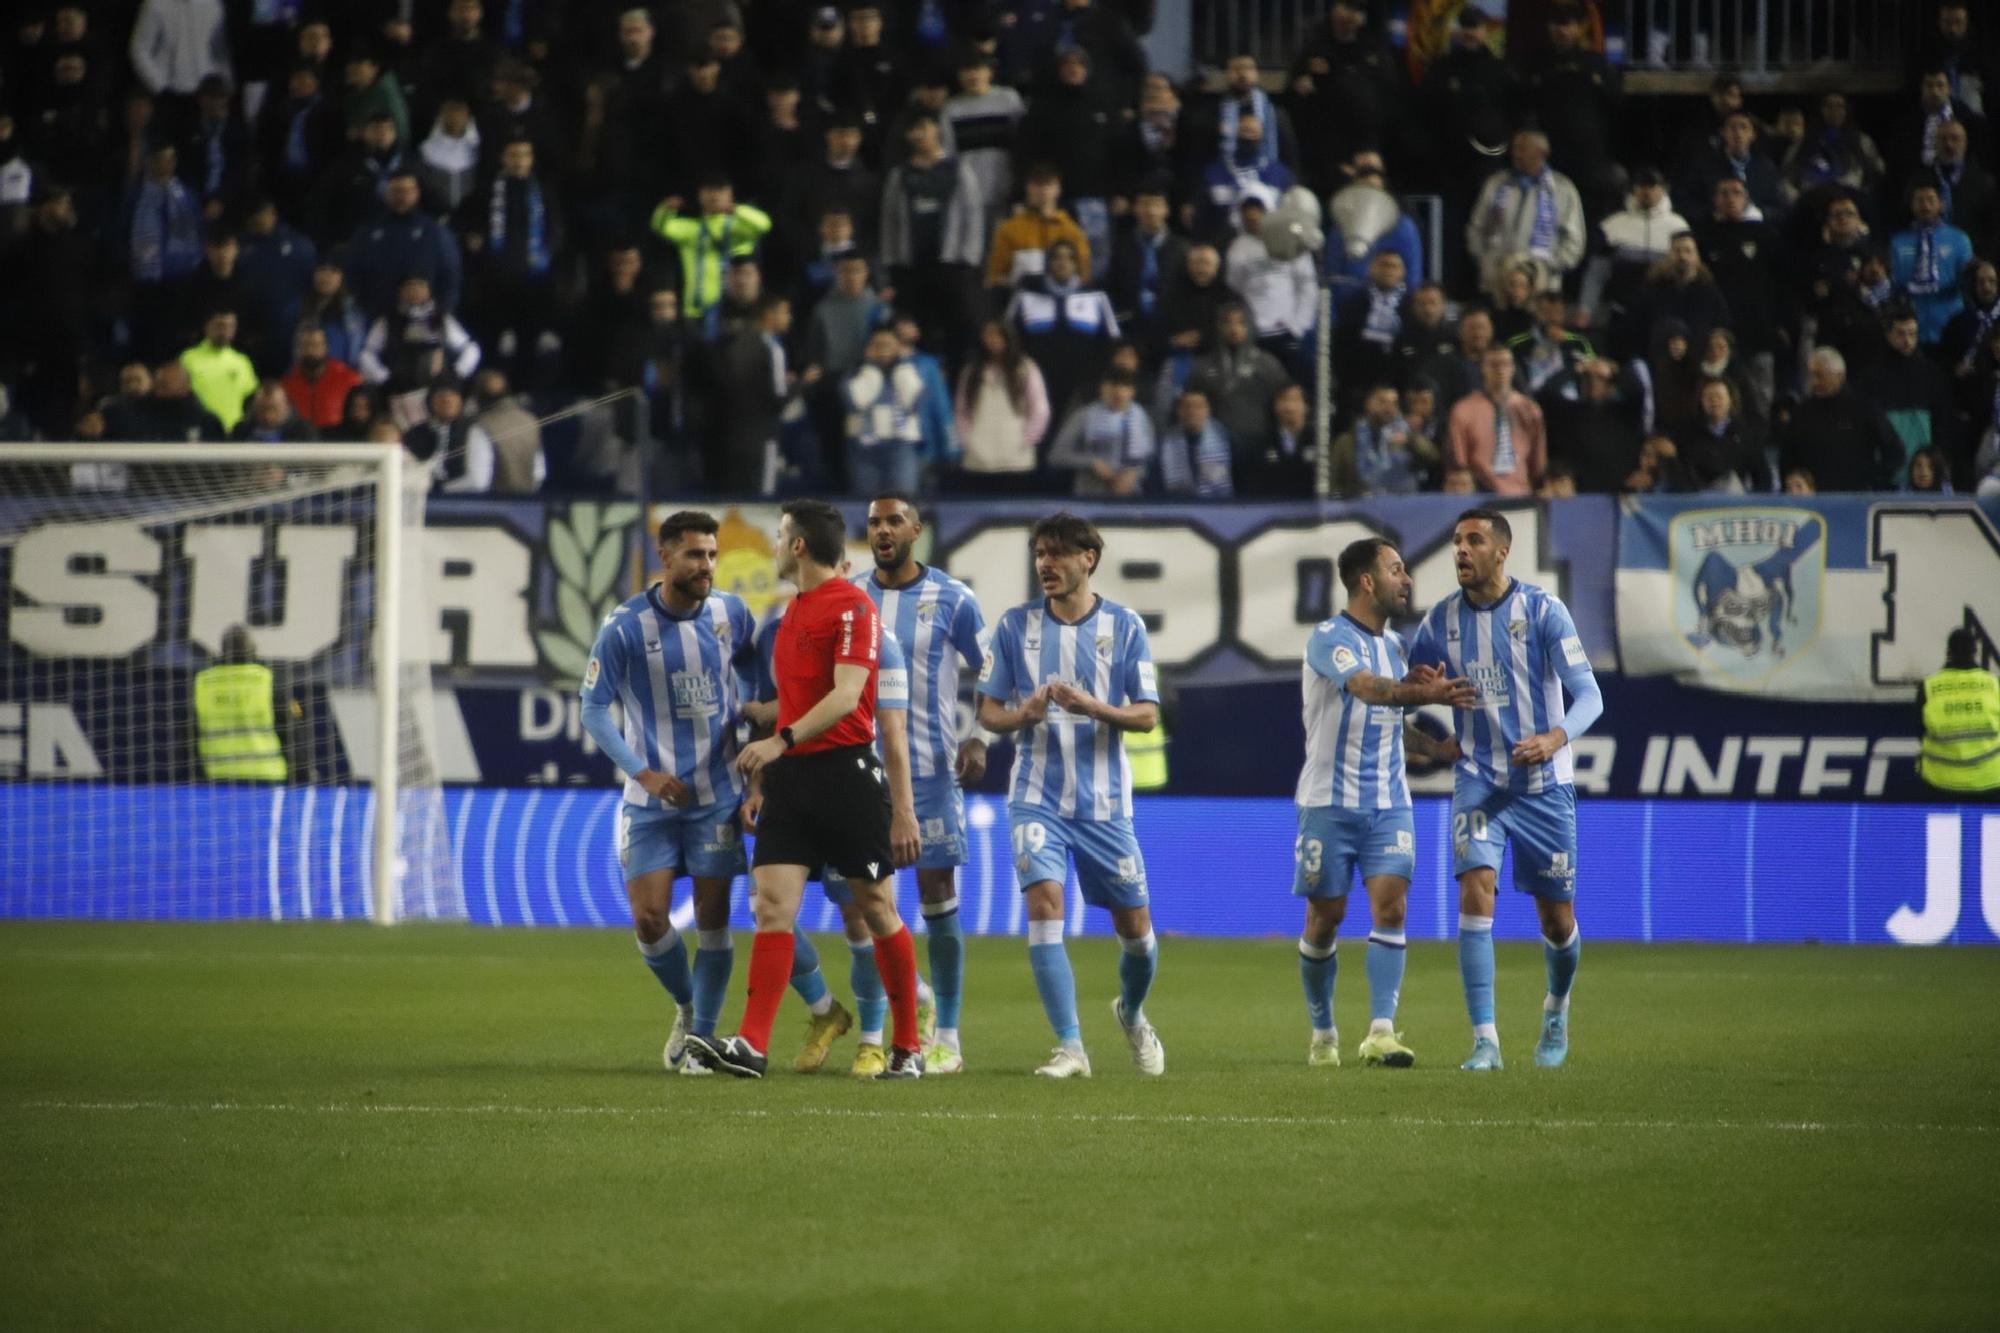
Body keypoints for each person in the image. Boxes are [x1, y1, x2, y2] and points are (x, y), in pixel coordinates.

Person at [685, 500, 926, 1080]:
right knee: (772, 908)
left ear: (797, 545)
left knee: (876, 909)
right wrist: (757, 711)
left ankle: (908, 1047)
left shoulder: (853, 608)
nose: (772, 545)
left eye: (779, 535)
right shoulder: (793, 611)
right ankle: (752, 1044)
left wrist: (778, 739)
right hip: (793, 781)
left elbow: (846, 697)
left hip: (846, 775)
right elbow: (802, 697)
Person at [576, 513, 775, 1075]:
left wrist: (755, 771)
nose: (706, 566)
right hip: (651, 802)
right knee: (649, 919)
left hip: (717, 794)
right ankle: (687, 1008)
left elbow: (758, 682)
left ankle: (702, 1042)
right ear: (665, 558)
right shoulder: (624, 627)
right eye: (694, 555)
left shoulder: (730, 613)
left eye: (712, 555)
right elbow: (592, 707)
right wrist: (644, 774)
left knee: (713, 921)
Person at [1408, 508, 1604, 1071]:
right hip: (1478, 780)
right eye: (1455, 542)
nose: (1461, 551)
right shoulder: (1439, 621)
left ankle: (1556, 1008)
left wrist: (1554, 737)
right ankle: (1485, 1042)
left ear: (1502, 551)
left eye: (1474, 541)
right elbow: (1413, 685)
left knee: (1556, 921)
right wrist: (1426, 695)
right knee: (1477, 888)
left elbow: (1590, 697)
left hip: (1544, 786)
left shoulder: (1542, 611)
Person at [976, 512, 1164, 1079]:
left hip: (1106, 805)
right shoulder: (1014, 627)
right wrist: (1022, 715)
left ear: (1090, 559)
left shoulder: (1126, 626)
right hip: (1036, 797)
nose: (1045, 565)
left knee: (1136, 930)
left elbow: (1148, 715)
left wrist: (1093, 707)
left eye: (1057, 554)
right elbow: (987, 710)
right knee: (1044, 905)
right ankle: (1071, 1047)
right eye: (1039, 554)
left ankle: (1130, 1012)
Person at [1294, 538, 1473, 1068]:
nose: (1407, 580)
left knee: (1392, 906)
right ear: (1366, 581)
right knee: (1326, 917)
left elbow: (1392, 722)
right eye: (1396, 570)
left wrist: (1437, 749)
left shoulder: (1397, 647)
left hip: (1389, 802)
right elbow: (1370, 691)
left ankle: (1380, 1031)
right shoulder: (1330, 639)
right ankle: (1323, 1031)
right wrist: (1430, 696)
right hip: (1327, 802)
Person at [856, 495, 992, 1072]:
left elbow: (994, 669)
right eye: (874, 523)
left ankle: (949, 1038)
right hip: (860, 772)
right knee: (862, 903)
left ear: (916, 530)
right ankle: (898, 1016)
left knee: (937, 896)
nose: (883, 531)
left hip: (932, 770)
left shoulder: (953, 599)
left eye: (893, 522)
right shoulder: (852, 596)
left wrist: (981, 734)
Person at [1466, 130, 1585, 303]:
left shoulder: (1562, 189)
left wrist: (1546, 267)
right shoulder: (1496, 183)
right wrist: (1486, 262)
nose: (1515, 154)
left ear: (1541, 153)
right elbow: (1476, 228)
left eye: (1522, 149)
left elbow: (1575, 242)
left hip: (1542, 288)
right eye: (1515, 148)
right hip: (1497, 286)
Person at [650, 174, 772, 324]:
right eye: (709, 191)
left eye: (719, 191)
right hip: (696, 313)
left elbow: (764, 225)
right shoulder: (691, 230)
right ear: (700, 195)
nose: (714, 195)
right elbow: (660, 227)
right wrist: (665, 209)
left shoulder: (739, 228)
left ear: (729, 194)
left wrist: (736, 209)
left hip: (735, 310)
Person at [955, 318, 1051, 477]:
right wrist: (968, 441)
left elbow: (1040, 409)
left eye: (998, 335)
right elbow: (961, 409)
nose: (993, 340)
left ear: (1008, 337)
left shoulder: (1026, 367)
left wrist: (1027, 440)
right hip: (978, 459)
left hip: (1016, 457)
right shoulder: (971, 371)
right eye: (988, 335)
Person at [192, 624, 287, 782]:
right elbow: (289, 729)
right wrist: (303, 770)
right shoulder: (267, 679)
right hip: (266, 774)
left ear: (223, 650)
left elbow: (189, 731)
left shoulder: (203, 682)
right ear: (252, 649)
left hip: (217, 774)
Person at [1449, 346, 1546, 495]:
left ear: (1513, 368)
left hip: (1522, 494)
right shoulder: (1463, 410)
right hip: (1480, 496)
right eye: (1494, 364)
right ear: (1483, 368)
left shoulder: (1530, 410)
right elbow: (1460, 461)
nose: (1500, 370)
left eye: (1505, 364)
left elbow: (1537, 462)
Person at [1047, 368, 1154, 495]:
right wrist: (1092, 462)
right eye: (1112, 389)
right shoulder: (1084, 415)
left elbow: (1149, 457)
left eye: (1123, 389)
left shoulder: (1141, 417)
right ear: (1103, 389)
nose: (1118, 394)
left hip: (1131, 497)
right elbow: (1055, 456)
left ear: (1132, 391)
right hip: (1090, 495)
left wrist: (1135, 472)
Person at [1918, 628, 2000, 793]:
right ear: (1975, 651)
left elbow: (1919, 730)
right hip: (1990, 780)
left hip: (1940, 781)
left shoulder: (1929, 686)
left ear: (1948, 652)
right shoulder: (1993, 684)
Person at [1329, 382, 1437, 497]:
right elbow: (1333, 482)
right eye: (1382, 402)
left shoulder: (1406, 436)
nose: (1389, 408)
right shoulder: (1346, 442)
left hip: (1402, 506)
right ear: (1367, 403)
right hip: (1361, 509)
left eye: (1394, 403)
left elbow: (1433, 458)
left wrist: (1411, 439)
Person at [180, 309, 258, 433]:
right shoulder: (188, 359)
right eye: (220, 325)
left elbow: (250, 398)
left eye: (230, 326)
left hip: (234, 434)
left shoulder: (242, 361)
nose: (225, 331)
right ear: (207, 326)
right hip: (201, 431)